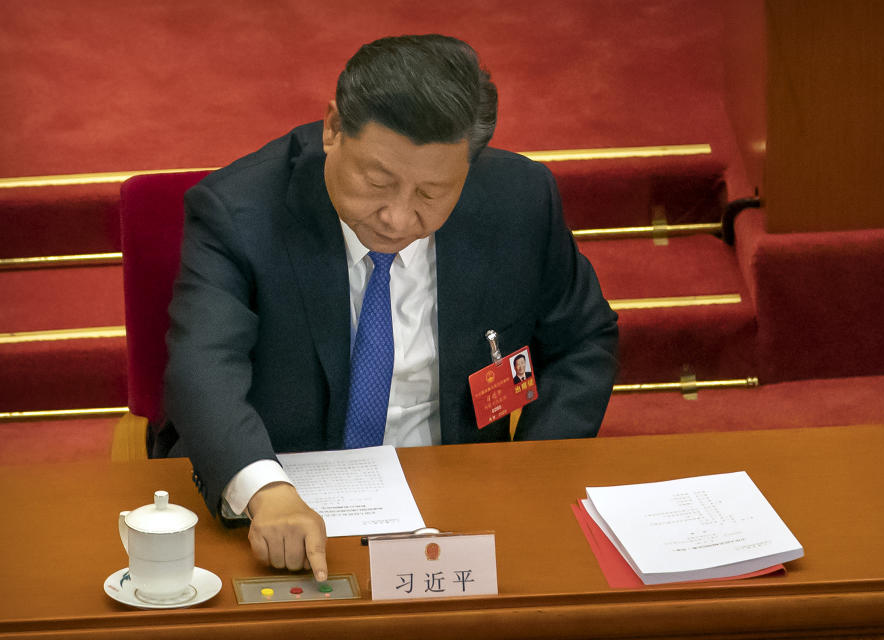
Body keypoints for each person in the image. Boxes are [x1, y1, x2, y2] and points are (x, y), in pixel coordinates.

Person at [158, 34, 618, 582]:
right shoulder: (239, 213)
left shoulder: (520, 199)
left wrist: (529, 470)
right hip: (283, 493)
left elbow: (585, 339)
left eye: (430, 195)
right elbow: (201, 367)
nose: (397, 219)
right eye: (377, 182)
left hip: (455, 494)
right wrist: (266, 489)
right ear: (332, 129)